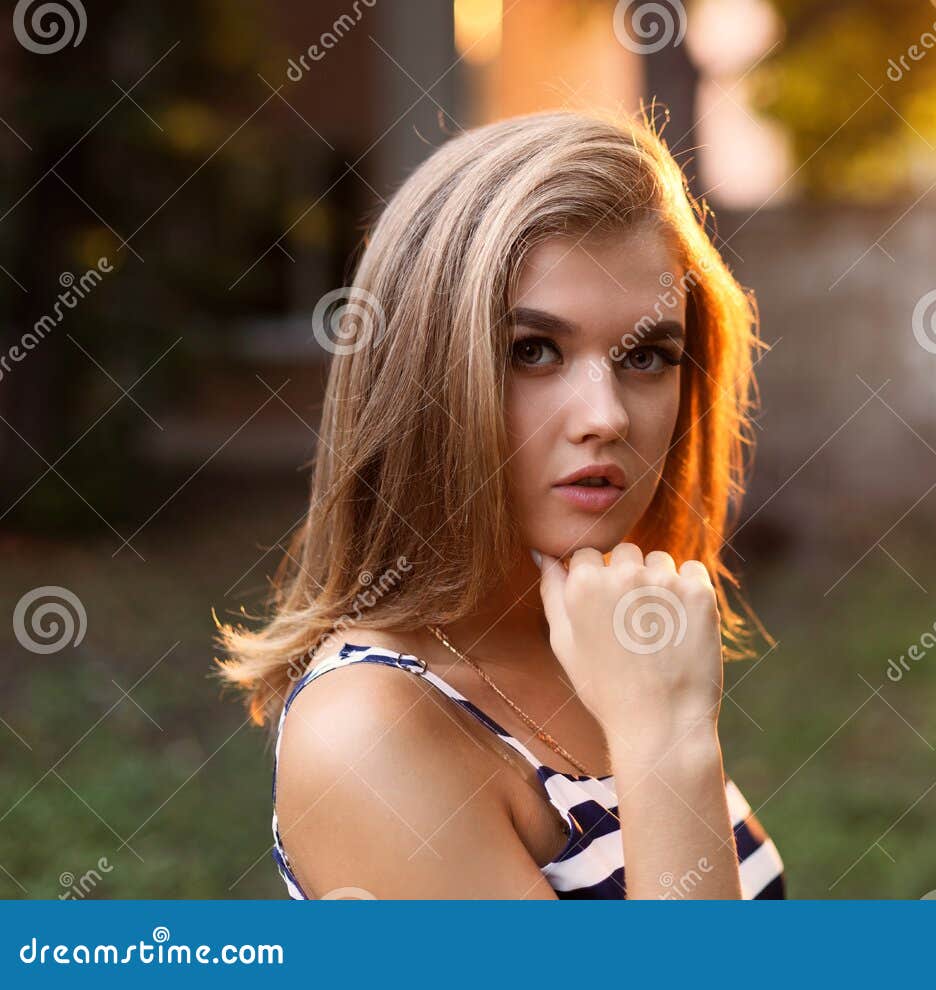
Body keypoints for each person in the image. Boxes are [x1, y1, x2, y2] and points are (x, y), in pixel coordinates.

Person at [214, 109, 784, 899]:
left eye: (647, 356)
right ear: (421, 375)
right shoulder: (369, 733)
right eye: (533, 351)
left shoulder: (594, 638)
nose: (607, 416)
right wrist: (666, 741)